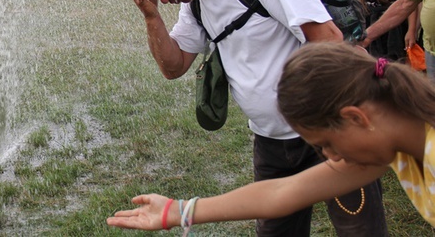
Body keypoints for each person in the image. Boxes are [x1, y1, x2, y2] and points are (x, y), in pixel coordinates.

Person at [123, 0, 387, 236]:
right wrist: (151, 16)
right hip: (271, 142)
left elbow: (328, 40)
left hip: (327, 131)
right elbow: (174, 66)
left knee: (360, 230)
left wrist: (327, 128)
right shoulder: (194, 1)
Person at [107, 42, 435, 232]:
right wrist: (180, 210)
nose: (332, 158)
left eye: (327, 144)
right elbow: (284, 191)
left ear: (355, 117)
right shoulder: (396, 146)